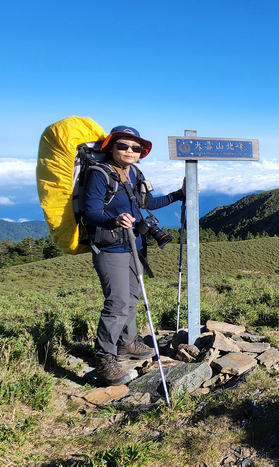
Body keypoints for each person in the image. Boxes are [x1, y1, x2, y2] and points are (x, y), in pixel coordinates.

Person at [83, 125, 184, 385]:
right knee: (117, 303)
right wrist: (113, 220)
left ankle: (128, 342)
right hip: (110, 247)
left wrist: (178, 195)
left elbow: (146, 204)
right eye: (123, 146)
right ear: (111, 147)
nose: (130, 151)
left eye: (135, 147)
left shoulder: (134, 172)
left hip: (134, 246)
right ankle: (105, 358)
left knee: (131, 297)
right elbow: (90, 212)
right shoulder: (99, 174)